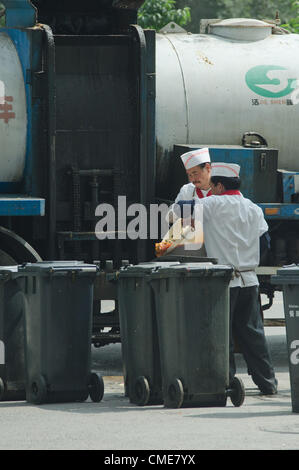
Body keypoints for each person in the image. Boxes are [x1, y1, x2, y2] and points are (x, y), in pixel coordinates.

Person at [176, 162, 278, 395]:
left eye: (211, 185)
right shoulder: (253, 208)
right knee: (253, 334)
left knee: (222, 335)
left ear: (220, 186)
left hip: (224, 282)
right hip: (249, 281)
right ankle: (268, 383)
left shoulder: (209, 205)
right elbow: (265, 245)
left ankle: (226, 384)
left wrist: (187, 189)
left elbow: (180, 214)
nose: (209, 189)